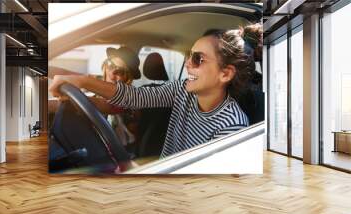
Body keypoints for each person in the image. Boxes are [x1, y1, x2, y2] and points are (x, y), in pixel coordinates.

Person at [49, 23, 262, 158]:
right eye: (189, 55)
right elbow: (136, 97)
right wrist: (81, 81)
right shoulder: (182, 90)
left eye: (198, 59)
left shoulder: (232, 126)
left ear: (225, 74)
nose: (188, 63)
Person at [50, 46, 141, 151]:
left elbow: (105, 105)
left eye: (120, 71)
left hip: (120, 156)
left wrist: (51, 105)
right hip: (94, 146)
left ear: (128, 77)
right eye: (111, 65)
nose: (112, 74)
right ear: (105, 66)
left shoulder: (130, 97)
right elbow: (67, 74)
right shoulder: (99, 81)